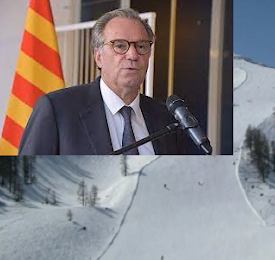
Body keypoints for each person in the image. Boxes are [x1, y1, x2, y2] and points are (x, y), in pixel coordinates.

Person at [19, 8, 177, 155]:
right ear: (99, 57)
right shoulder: (58, 110)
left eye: (141, 46)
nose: (133, 55)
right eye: (120, 46)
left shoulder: (166, 118)